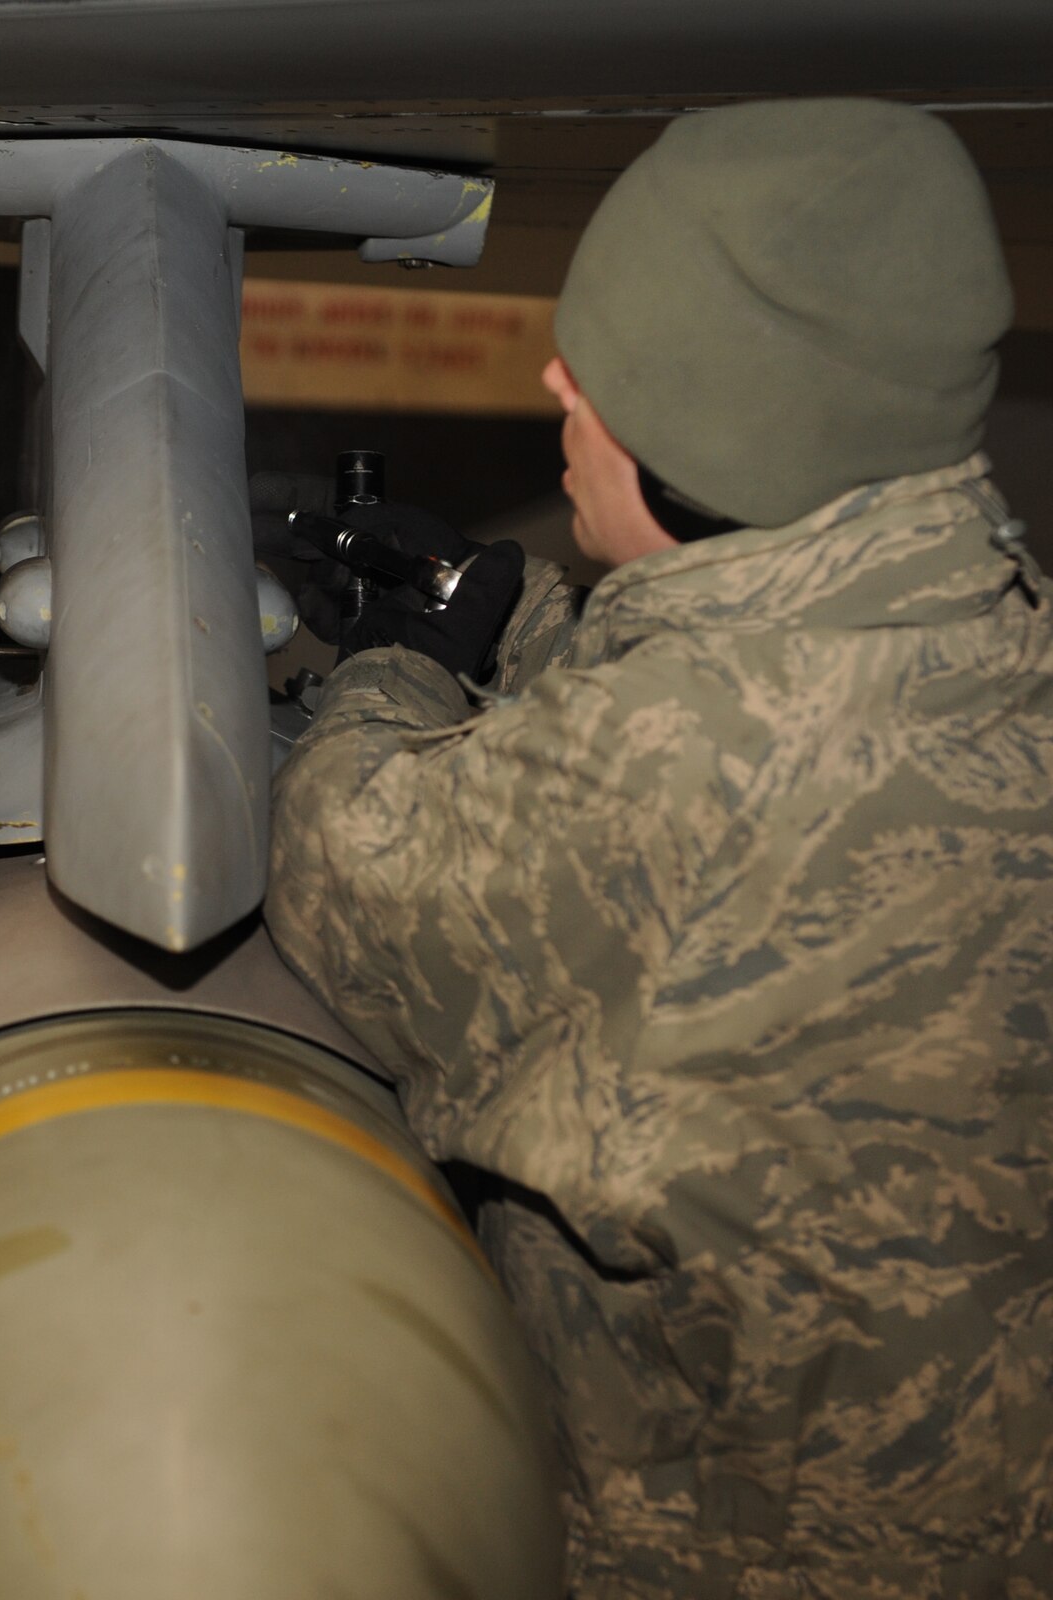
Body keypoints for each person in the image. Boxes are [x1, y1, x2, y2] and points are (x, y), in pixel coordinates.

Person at [263, 98, 1051, 1595]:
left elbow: (340, 863)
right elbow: (755, 691)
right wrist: (518, 615)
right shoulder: (1000, 632)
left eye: (611, 371)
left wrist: (397, 666)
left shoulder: (654, 773)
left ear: (718, 427)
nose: (558, 377)